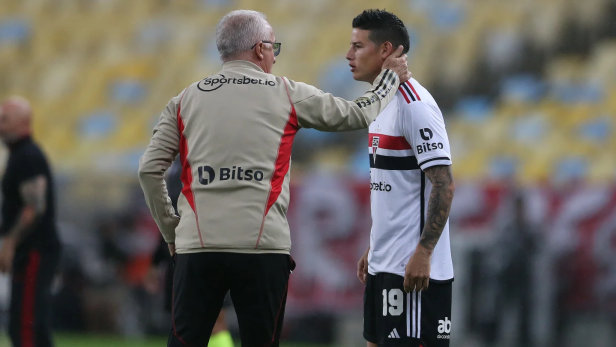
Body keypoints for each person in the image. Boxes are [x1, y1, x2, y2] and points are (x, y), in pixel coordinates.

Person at [138, 9, 410, 347]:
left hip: (198, 245)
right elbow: (357, 114)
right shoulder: (286, 93)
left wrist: (172, 231)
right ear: (259, 49)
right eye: (274, 48)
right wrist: (389, 78)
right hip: (262, 248)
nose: (275, 58)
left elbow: (149, 170)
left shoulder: (184, 100)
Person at [351, 10, 456, 347]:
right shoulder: (380, 105)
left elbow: (444, 184)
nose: (349, 55)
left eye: (357, 46)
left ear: (385, 50)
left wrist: (424, 252)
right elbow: (395, 187)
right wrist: (374, 243)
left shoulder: (416, 105)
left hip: (412, 273)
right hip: (384, 265)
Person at [144, 158, 234, 347]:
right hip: (184, 248)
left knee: (213, 319)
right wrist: (157, 260)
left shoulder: (207, 157)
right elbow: (170, 217)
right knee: (188, 321)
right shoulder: (178, 166)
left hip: (207, 245)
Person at [0, 96, 61, 347]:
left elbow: (35, 207)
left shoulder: (27, 156)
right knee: (29, 323)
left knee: (26, 325)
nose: (0, 125)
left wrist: (9, 242)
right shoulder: (20, 154)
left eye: (4, 120)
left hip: (34, 251)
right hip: (32, 250)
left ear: (23, 123)